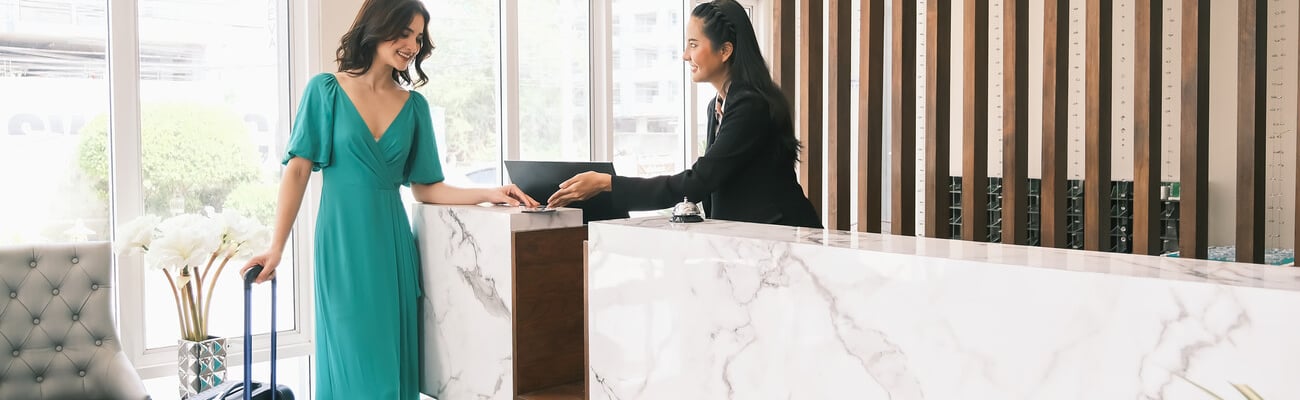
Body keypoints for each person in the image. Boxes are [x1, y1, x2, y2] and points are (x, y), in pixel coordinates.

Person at [240, 1, 538, 398]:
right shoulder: (325, 91)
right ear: (378, 26)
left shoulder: (414, 107)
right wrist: (276, 248)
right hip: (342, 248)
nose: (412, 45)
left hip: (393, 250)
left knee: (390, 368)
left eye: (417, 37)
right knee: (351, 360)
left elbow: (427, 188)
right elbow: (297, 171)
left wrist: (490, 193)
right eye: (405, 33)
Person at [547, 0, 821, 229]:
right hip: (752, 240)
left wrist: (608, 183)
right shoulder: (719, 105)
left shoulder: (751, 105)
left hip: (785, 238)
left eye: (693, 44)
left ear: (725, 50)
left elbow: (701, 181)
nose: (685, 56)